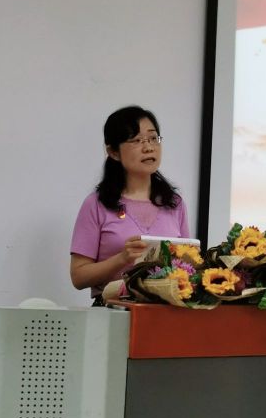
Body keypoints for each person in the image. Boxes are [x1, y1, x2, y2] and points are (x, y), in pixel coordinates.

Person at [70, 106, 190, 304]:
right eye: (136, 140)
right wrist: (122, 258)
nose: (149, 147)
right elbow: (79, 277)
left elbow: (188, 265)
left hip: (165, 312)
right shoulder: (96, 204)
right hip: (113, 311)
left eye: (153, 138)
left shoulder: (174, 203)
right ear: (113, 152)